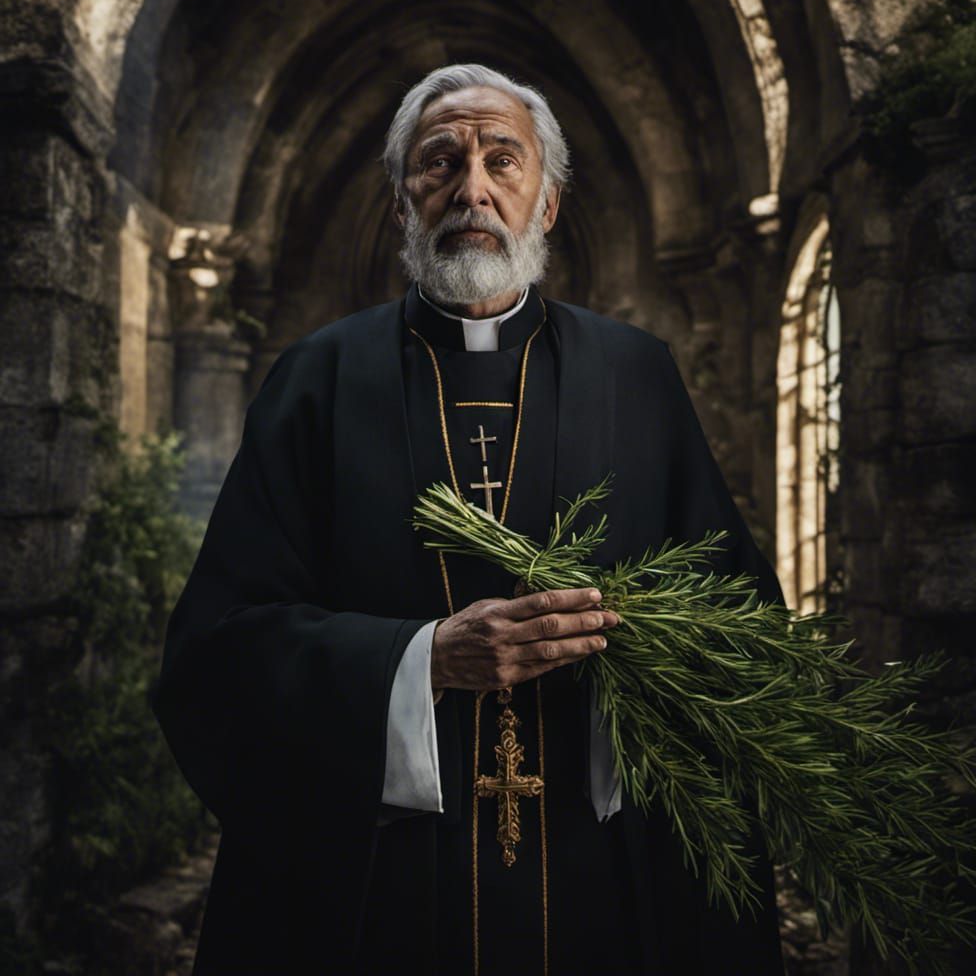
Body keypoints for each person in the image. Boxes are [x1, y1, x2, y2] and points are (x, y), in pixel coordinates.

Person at [155, 63, 785, 975]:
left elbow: (739, 623)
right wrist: (422, 661)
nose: (472, 188)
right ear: (402, 201)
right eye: (439, 162)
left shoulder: (636, 377)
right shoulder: (317, 383)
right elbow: (222, 650)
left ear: (549, 203)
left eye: (503, 159)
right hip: (389, 892)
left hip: (592, 871)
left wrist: (637, 657)